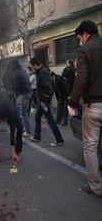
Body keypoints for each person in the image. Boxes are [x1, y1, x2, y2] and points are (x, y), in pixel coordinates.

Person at [68, 20, 102, 197]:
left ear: (85, 34)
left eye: (80, 37)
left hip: (94, 105)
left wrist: (72, 102)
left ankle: (96, 187)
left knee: (90, 147)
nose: (80, 41)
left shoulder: (84, 50)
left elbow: (81, 80)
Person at [29, 57, 64, 147]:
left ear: (35, 65)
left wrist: (44, 100)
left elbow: (48, 88)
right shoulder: (39, 72)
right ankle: (37, 136)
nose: (31, 68)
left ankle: (59, 139)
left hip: (45, 100)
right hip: (42, 100)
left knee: (50, 120)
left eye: (32, 66)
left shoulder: (43, 72)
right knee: (37, 116)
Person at [0, 99, 23, 163]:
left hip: (11, 108)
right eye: (1, 121)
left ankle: (16, 151)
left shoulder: (12, 113)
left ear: (7, 118)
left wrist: (13, 151)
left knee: (20, 126)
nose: (3, 123)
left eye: (4, 121)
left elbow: (12, 131)